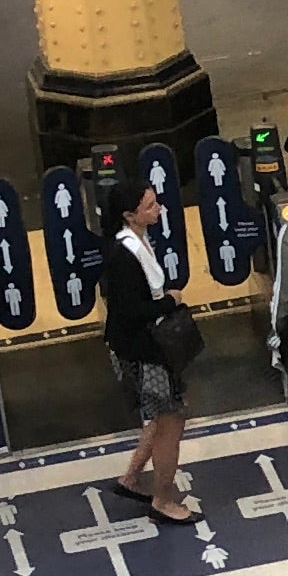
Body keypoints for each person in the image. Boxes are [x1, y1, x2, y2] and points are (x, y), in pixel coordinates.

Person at [95, 180, 196, 530]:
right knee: (171, 422)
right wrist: (171, 300)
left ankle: (132, 479)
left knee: (158, 417)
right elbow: (131, 309)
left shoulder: (135, 241)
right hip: (144, 351)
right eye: (150, 205)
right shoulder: (123, 256)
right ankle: (163, 500)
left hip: (143, 346)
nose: (159, 209)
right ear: (129, 215)